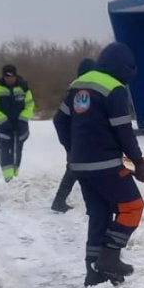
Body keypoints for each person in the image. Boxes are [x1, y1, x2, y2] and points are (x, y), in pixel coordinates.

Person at [53, 42, 144, 286]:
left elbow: (59, 120)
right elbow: (123, 130)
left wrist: (73, 151)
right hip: (105, 165)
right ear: (124, 68)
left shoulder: (79, 84)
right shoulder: (114, 88)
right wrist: (138, 162)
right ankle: (109, 256)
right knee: (133, 207)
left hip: (81, 168)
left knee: (99, 214)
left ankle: (94, 272)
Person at [50, 57, 95, 213]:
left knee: (76, 170)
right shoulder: (79, 92)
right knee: (76, 170)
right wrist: (69, 144)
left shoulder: (77, 90)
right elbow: (59, 120)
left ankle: (59, 201)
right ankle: (60, 201)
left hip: (80, 141)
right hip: (79, 142)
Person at [0, 64, 35, 182]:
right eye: (7, 77)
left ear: (15, 76)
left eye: (12, 77)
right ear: (3, 76)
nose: (10, 79)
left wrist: (23, 119)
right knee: (5, 149)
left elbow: (30, 105)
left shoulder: (24, 88)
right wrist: (3, 121)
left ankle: (16, 173)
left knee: (17, 148)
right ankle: (7, 177)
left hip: (20, 124)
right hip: (3, 126)